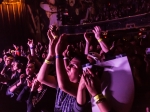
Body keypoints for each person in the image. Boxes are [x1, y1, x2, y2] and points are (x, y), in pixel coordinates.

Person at [37, 25, 90, 111]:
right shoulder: (62, 82)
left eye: (73, 66)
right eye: (70, 64)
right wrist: (50, 55)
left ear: (81, 73)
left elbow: (64, 86)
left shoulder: (83, 90)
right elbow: (41, 78)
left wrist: (59, 54)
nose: (68, 67)